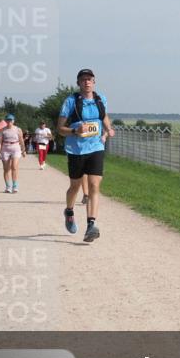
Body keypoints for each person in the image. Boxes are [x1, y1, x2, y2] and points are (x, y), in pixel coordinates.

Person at [57, 68, 115, 243]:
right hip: (76, 150)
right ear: (78, 83)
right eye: (83, 80)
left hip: (96, 147)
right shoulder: (70, 102)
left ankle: (91, 225)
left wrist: (108, 128)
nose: (87, 82)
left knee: (94, 185)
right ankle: (69, 211)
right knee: (75, 187)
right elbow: (60, 129)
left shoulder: (100, 99)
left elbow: (104, 116)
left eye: (89, 79)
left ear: (94, 81)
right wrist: (75, 130)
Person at [0, 114, 26, 193]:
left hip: (15, 148)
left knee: (14, 167)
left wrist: (23, 150)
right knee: (6, 169)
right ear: (6, 121)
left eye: (11, 120)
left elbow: (21, 140)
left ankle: (15, 186)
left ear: (13, 121)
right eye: (8, 120)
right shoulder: (3, 130)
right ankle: (8, 187)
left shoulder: (18, 129)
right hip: (5, 149)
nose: (9, 122)